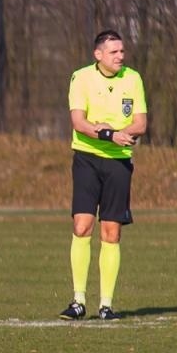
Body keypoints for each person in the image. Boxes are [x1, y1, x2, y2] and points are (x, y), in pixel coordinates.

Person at [61, 29, 147, 321]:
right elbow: (79, 123)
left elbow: (140, 123)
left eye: (122, 51)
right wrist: (111, 134)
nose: (120, 56)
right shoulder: (81, 77)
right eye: (114, 52)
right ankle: (78, 301)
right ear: (98, 55)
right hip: (87, 159)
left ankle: (106, 305)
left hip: (118, 164)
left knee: (111, 232)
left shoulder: (133, 78)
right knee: (82, 226)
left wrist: (123, 134)